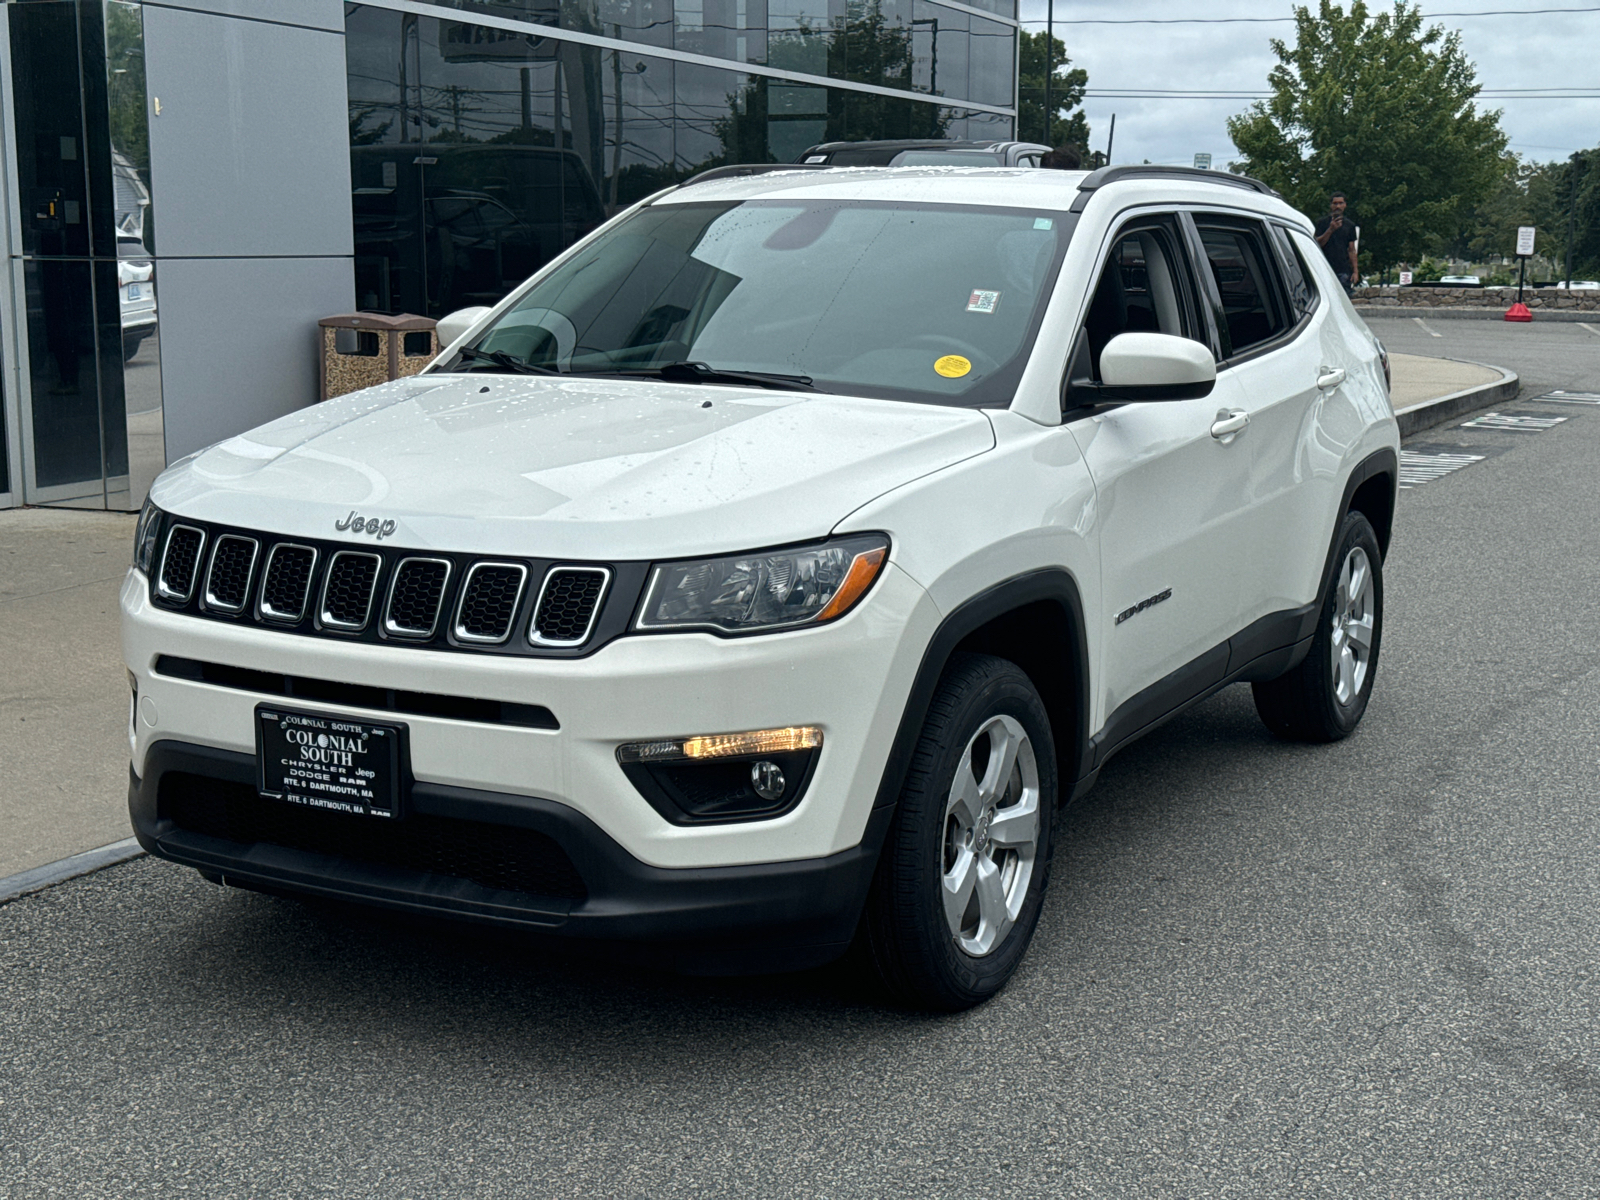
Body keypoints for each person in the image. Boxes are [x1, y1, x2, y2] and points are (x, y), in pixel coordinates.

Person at [1314, 192, 1360, 293]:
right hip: (1324, 267)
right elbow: (1317, 244)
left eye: (1340, 203)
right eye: (1335, 203)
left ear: (1345, 205)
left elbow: (1351, 250)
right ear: (1331, 205)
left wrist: (1355, 271)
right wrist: (1330, 229)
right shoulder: (1322, 223)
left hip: (1343, 269)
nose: (1337, 206)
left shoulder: (1350, 225)